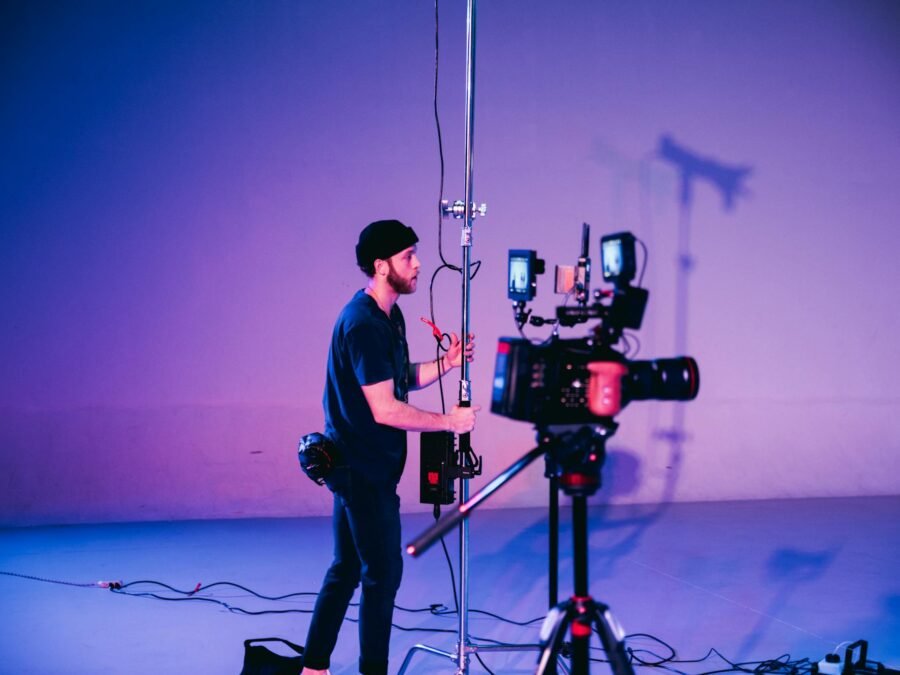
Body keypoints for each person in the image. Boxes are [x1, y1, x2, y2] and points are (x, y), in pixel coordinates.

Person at [301, 219, 479, 675]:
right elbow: (385, 408)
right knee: (381, 576)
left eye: (415, 254)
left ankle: (314, 668)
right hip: (362, 471)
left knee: (345, 569)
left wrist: (447, 363)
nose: (418, 264)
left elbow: (399, 380)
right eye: (407, 257)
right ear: (381, 266)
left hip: (364, 467)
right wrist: (449, 422)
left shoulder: (388, 315)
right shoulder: (362, 324)